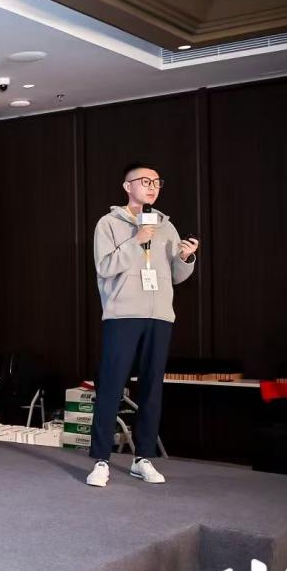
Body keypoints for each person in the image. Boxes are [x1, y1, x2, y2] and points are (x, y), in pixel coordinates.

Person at [86, 163, 200, 487]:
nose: (152, 187)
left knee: (151, 388)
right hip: (123, 314)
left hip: (159, 315)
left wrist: (186, 258)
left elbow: (176, 275)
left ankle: (143, 458)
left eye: (157, 182)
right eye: (145, 181)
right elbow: (105, 266)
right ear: (127, 186)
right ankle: (101, 460)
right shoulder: (108, 223)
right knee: (111, 386)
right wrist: (136, 240)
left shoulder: (166, 226)